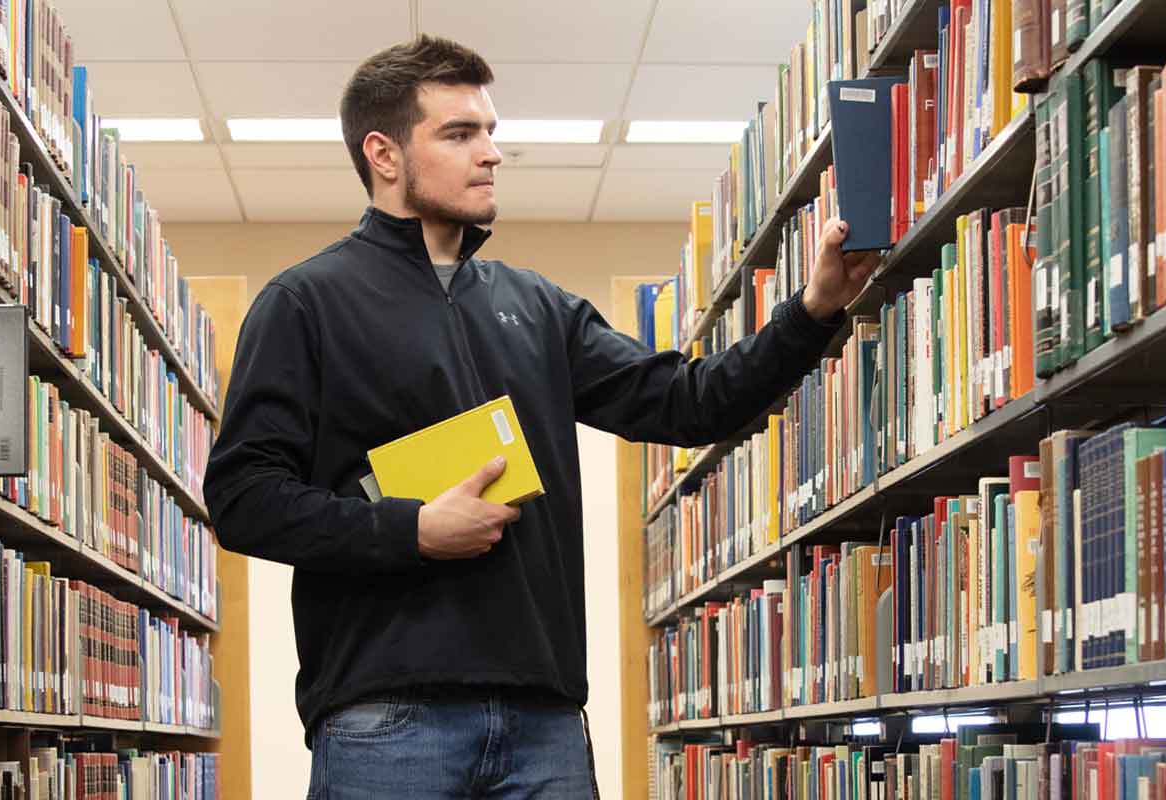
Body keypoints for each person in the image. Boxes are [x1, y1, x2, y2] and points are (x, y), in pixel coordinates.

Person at [203, 34, 881, 798]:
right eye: (459, 134)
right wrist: (411, 529)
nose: (489, 153)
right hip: (386, 718)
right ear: (384, 155)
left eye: (490, 132)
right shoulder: (304, 304)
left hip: (545, 721)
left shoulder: (538, 306)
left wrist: (814, 310)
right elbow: (242, 499)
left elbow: (689, 403)